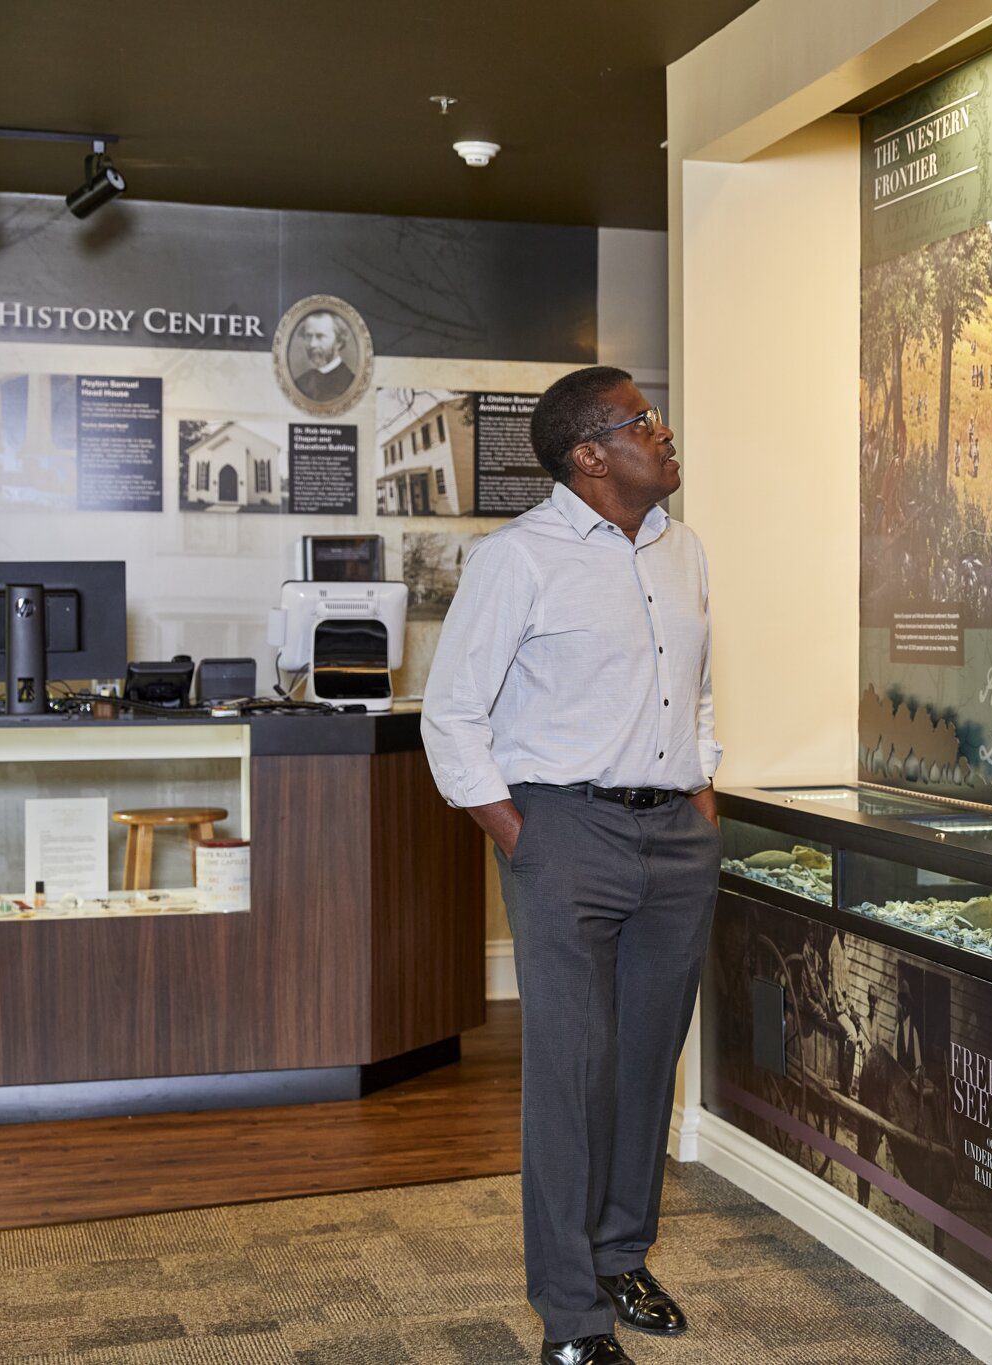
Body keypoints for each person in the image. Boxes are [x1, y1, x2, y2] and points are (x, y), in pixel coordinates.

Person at [422, 366, 720, 1365]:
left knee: (645, 1064)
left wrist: (703, 787)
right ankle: (570, 1315)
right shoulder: (519, 559)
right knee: (572, 1076)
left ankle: (618, 1253)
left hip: (674, 837)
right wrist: (520, 833)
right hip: (564, 834)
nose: (665, 431)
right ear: (590, 454)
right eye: (644, 421)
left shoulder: (683, 552)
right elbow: (451, 713)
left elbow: (696, 689)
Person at [292, 311, 356, 402]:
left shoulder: (352, 384)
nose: (312, 344)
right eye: (308, 336)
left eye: (320, 337)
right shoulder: (299, 382)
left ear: (339, 342)